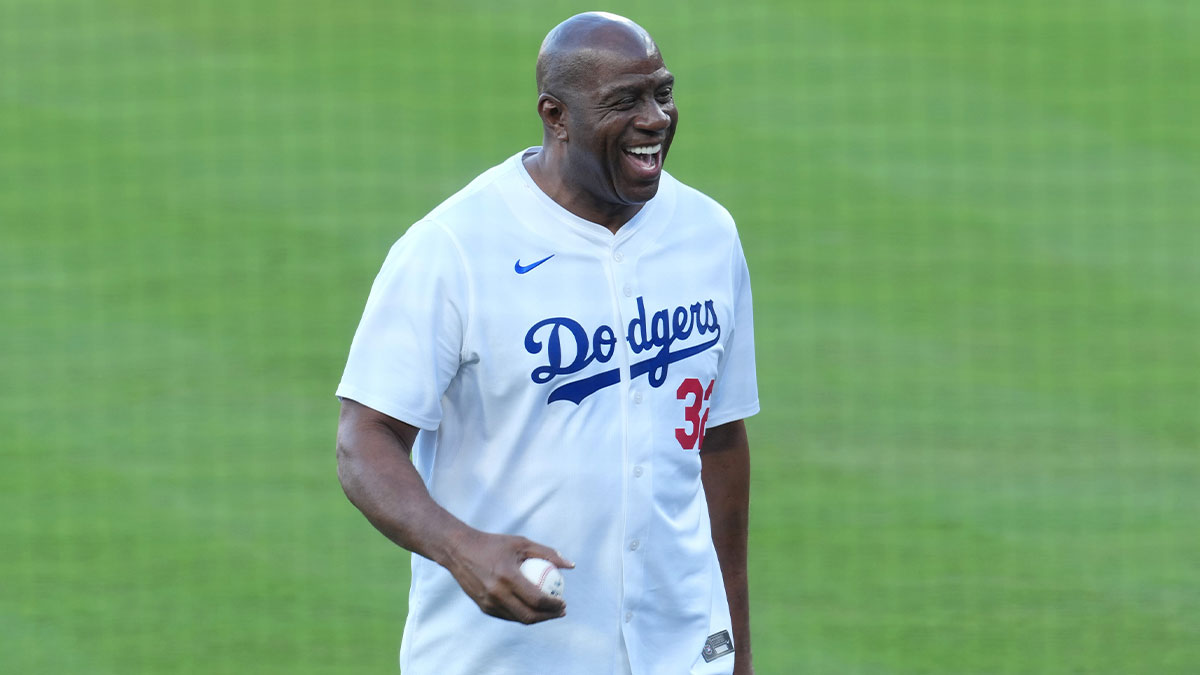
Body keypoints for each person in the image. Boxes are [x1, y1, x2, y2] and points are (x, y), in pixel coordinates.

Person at [335, 11, 758, 675]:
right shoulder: (454, 248)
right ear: (555, 115)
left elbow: (720, 440)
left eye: (663, 93)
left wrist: (734, 646)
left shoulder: (709, 234)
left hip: (679, 651)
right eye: (625, 101)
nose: (656, 118)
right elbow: (362, 439)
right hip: (501, 657)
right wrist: (459, 545)